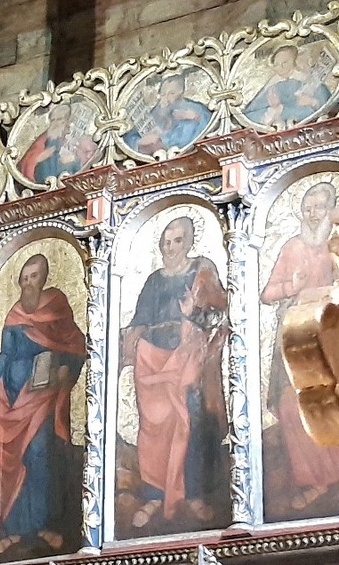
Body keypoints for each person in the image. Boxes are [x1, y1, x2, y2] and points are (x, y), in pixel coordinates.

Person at [123, 215, 229, 528]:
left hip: (189, 355)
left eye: (177, 240)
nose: (170, 247)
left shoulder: (202, 271)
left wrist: (193, 312)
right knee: (153, 428)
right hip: (153, 358)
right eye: (166, 242)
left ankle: (193, 493)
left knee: (190, 420)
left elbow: (221, 312)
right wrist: (126, 346)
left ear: (189, 242)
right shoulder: (153, 281)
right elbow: (139, 321)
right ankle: (155, 494)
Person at [0, 254, 88, 557]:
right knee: (11, 458)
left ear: (43, 278)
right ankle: (16, 529)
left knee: (40, 453)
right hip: (10, 396)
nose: (29, 283)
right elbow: (5, 354)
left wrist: (66, 367)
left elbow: (74, 342)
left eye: (34, 276)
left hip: (43, 393)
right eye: (25, 278)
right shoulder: (14, 314)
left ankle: (45, 524)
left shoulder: (56, 304)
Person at [260, 181, 339, 512]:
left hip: (332, 333)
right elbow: (267, 294)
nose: (313, 214)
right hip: (296, 335)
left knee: (334, 401)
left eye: (319, 208)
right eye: (308, 208)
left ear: (331, 210)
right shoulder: (292, 248)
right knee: (291, 405)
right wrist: (291, 285)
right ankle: (317, 479)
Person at [245, 43, 331, 128]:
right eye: (276, 64)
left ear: (295, 61)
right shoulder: (271, 88)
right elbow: (249, 116)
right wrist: (273, 109)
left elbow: (330, 103)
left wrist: (312, 102)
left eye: (285, 62)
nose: (281, 67)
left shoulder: (310, 81)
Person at [16, 104, 100, 186]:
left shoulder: (78, 138)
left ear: (68, 120)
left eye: (59, 119)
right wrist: (39, 157)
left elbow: (91, 158)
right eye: (53, 120)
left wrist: (74, 160)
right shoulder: (44, 138)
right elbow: (25, 164)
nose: (55, 123)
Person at [131, 75, 212, 155]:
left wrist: (196, 117)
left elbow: (211, 122)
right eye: (163, 94)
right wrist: (139, 142)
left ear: (181, 93)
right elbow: (130, 137)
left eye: (172, 93)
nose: (166, 98)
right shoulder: (155, 113)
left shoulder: (195, 109)